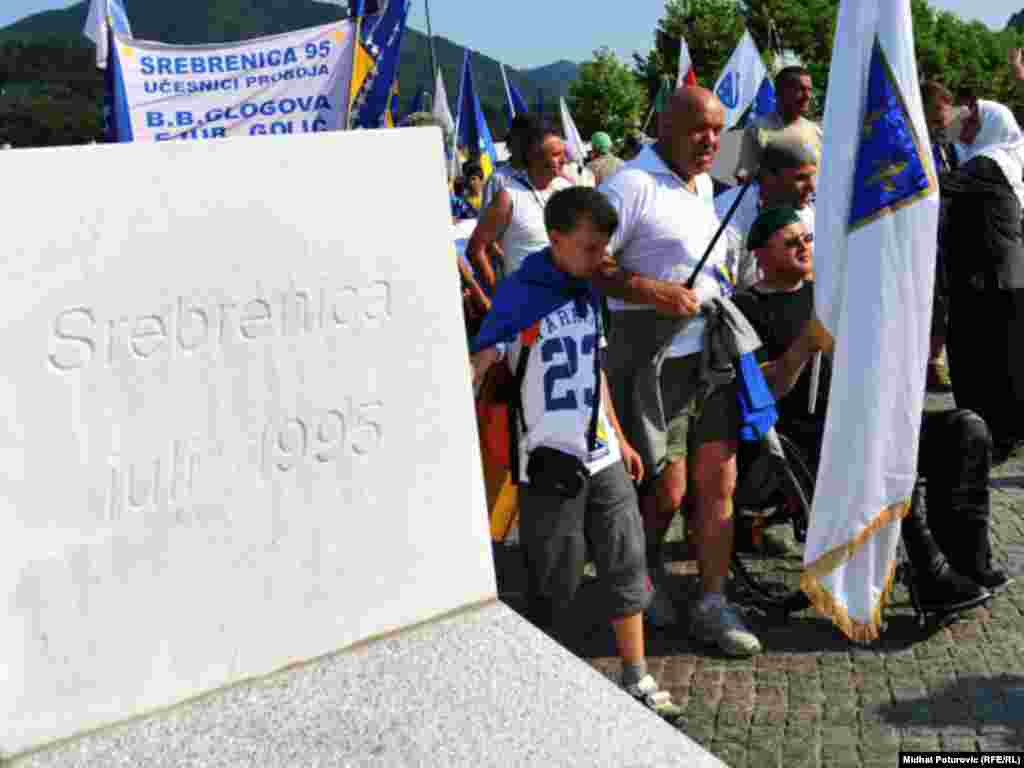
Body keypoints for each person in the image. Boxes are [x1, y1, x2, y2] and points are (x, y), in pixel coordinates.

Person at [469, 187, 683, 721]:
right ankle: (552, 685)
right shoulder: (520, 293)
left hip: (601, 452)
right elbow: (483, 362)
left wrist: (620, 435)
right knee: (554, 578)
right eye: (589, 248)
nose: (600, 260)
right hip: (546, 459)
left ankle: (636, 676)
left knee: (625, 555)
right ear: (556, 239)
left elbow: (596, 367)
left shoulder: (590, 289)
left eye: (604, 248)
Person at [742, 208, 1009, 605]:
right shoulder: (747, 308)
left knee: (966, 427)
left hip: (868, 414)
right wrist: (806, 343)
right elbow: (767, 388)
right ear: (761, 254)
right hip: (809, 436)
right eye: (791, 241)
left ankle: (967, 559)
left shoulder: (830, 293)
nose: (804, 246)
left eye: (807, 239)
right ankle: (929, 573)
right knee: (876, 446)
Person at [596, 85, 761, 657]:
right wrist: (651, 291)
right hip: (651, 360)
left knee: (720, 482)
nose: (711, 142)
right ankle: (641, 580)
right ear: (666, 128)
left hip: (711, 356)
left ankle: (714, 601)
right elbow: (589, 260)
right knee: (665, 490)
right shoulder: (630, 185)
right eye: (699, 131)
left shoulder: (705, 187)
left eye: (718, 131)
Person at [941, 103, 1024, 462]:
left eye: (974, 119)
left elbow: (937, 187)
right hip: (995, 280)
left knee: (987, 363)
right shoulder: (997, 160)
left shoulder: (989, 163)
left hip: (989, 283)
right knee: (1001, 362)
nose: (966, 122)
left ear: (991, 124)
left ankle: (992, 439)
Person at [466, 121, 570, 292]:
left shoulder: (566, 190)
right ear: (534, 156)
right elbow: (475, 250)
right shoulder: (508, 196)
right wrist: (501, 295)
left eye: (563, 154)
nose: (564, 160)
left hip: (564, 299)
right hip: (526, 302)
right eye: (557, 154)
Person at [715, 138, 817, 291]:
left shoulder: (805, 212)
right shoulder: (726, 214)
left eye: (813, 176)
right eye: (800, 178)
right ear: (769, 177)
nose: (812, 187)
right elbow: (723, 290)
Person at [735, 67, 823, 184]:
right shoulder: (758, 128)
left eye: (809, 90)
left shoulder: (816, 131)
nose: (808, 96)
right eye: (800, 89)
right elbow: (744, 175)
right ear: (780, 92)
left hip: (810, 201)